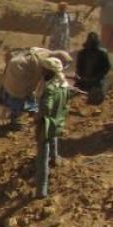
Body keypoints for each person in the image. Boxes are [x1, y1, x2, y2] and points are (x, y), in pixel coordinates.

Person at [36, 58, 70, 200]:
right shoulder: (64, 85)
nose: (41, 71)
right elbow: (66, 103)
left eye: (43, 69)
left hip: (46, 124)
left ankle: (41, 189)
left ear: (50, 71)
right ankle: (55, 157)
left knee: (42, 157)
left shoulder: (50, 89)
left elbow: (45, 107)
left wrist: (38, 116)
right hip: (58, 121)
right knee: (53, 138)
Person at [76, 33, 110, 106]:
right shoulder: (82, 53)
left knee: (96, 98)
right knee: (74, 94)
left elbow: (106, 68)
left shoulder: (102, 54)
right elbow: (78, 68)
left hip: (96, 80)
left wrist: (97, 78)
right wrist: (80, 78)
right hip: (83, 80)